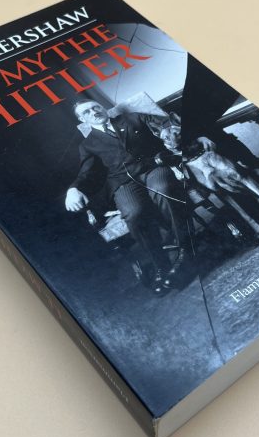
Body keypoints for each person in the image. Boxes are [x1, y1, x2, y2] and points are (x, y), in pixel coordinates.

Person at [65, 100, 189, 294]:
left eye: (95, 107)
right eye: (87, 112)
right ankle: (161, 265)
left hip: (153, 168)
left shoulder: (132, 118)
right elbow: (86, 172)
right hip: (123, 181)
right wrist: (73, 189)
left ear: (102, 107)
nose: (94, 112)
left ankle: (185, 253)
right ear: (82, 120)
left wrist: (171, 132)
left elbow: (165, 123)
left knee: (162, 189)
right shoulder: (88, 145)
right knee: (133, 212)